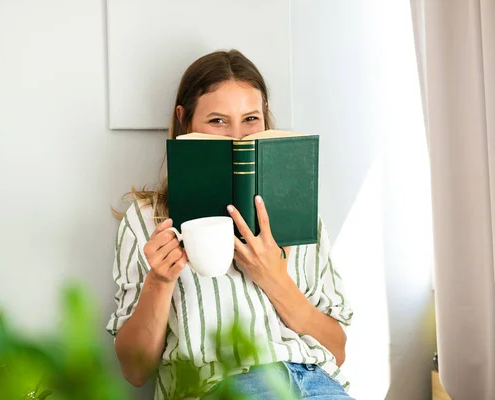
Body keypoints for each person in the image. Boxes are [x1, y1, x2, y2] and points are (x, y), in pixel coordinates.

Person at [107, 49, 354, 400]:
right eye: (218, 121)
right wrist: (160, 280)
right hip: (224, 386)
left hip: (314, 382)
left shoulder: (299, 214)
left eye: (251, 119)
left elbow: (337, 350)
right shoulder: (148, 220)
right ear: (185, 120)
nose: (237, 137)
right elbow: (134, 371)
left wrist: (275, 279)